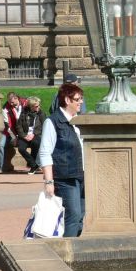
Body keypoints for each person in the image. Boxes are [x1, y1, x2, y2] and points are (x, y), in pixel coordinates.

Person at [38, 83, 85, 237]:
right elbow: (45, 153)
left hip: (81, 176)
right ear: (67, 100)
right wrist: (49, 182)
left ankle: (74, 249)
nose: (81, 102)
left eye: (81, 99)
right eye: (77, 99)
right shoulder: (52, 122)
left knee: (80, 218)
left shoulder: (79, 121)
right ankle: (68, 255)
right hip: (65, 178)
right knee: (73, 216)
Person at [0, 92, 26, 174]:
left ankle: (34, 165)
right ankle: (0, 167)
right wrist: (14, 137)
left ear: (17, 98)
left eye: (12, 102)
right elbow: (8, 125)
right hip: (9, 131)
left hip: (23, 131)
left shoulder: (25, 103)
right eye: (9, 102)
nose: (11, 104)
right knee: (0, 145)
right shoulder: (5, 108)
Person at [16, 96, 46, 174]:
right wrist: (24, 136)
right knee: (21, 148)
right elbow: (18, 126)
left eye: (39, 105)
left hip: (36, 134)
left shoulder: (41, 113)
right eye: (36, 106)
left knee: (36, 143)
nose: (38, 107)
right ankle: (34, 165)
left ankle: (32, 166)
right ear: (31, 106)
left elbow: (44, 126)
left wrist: (33, 134)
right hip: (25, 135)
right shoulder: (24, 113)